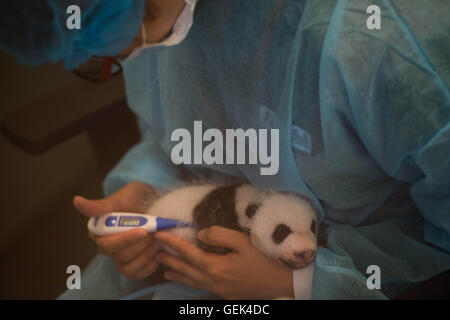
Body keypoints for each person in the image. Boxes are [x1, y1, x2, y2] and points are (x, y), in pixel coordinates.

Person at [1, 0, 449, 299]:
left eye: (143, 24)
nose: (130, 51)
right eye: (98, 60)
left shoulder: (378, 40)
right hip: (189, 253)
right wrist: (148, 192)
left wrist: (301, 283)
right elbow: (170, 140)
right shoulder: (169, 23)